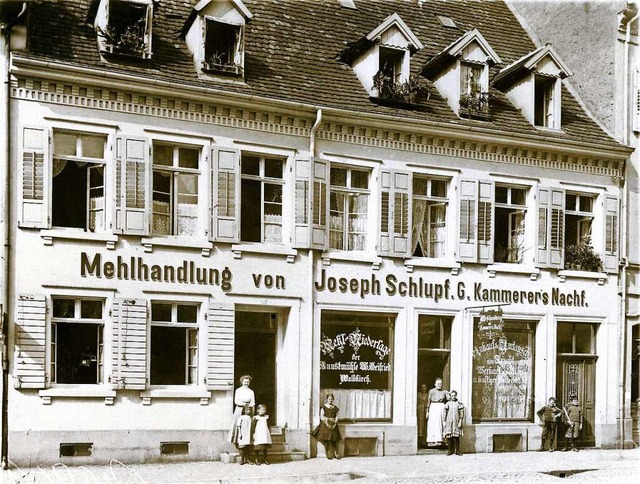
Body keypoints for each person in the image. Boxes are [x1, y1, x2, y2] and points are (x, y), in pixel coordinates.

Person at [228, 375, 255, 445]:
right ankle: (237, 441)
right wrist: (243, 404)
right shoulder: (238, 390)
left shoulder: (251, 391)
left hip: (248, 409)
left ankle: (247, 442)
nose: (246, 383)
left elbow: (253, 401)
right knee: (238, 424)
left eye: (248, 382)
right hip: (240, 409)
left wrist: (251, 407)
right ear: (242, 382)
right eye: (245, 382)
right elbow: (236, 401)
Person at [316, 393, 342, 460]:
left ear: (333, 399)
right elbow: (322, 417)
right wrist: (327, 424)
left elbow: (337, 416)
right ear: (327, 399)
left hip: (334, 425)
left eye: (331, 399)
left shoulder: (335, 408)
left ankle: (336, 453)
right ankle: (328, 453)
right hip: (325, 425)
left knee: (335, 438)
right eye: (329, 399)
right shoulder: (323, 407)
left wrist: (335, 423)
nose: (330, 400)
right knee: (327, 438)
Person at [426, 378, 449, 447]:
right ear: (435, 384)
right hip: (433, 407)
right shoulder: (431, 391)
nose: (439, 385)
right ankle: (432, 441)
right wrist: (427, 411)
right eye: (438, 384)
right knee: (433, 423)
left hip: (441, 406)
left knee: (441, 423)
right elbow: (428, 401)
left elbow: (449, 399)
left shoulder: (444, 392)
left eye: (440, 384)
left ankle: (441, 440)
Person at [442, 390, 464, 456]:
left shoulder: (459, 403)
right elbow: (444, 413)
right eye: (452, 396)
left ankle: (457, 451)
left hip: (456, 421)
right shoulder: (448, 403)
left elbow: (461, 413)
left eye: (454, 395)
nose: (453, 397)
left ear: (456, 396)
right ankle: (450, 451)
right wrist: (444, 421)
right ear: (450, 396)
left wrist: (460, 421)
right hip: (449, 422)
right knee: (449, 437)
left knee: (456, 437)